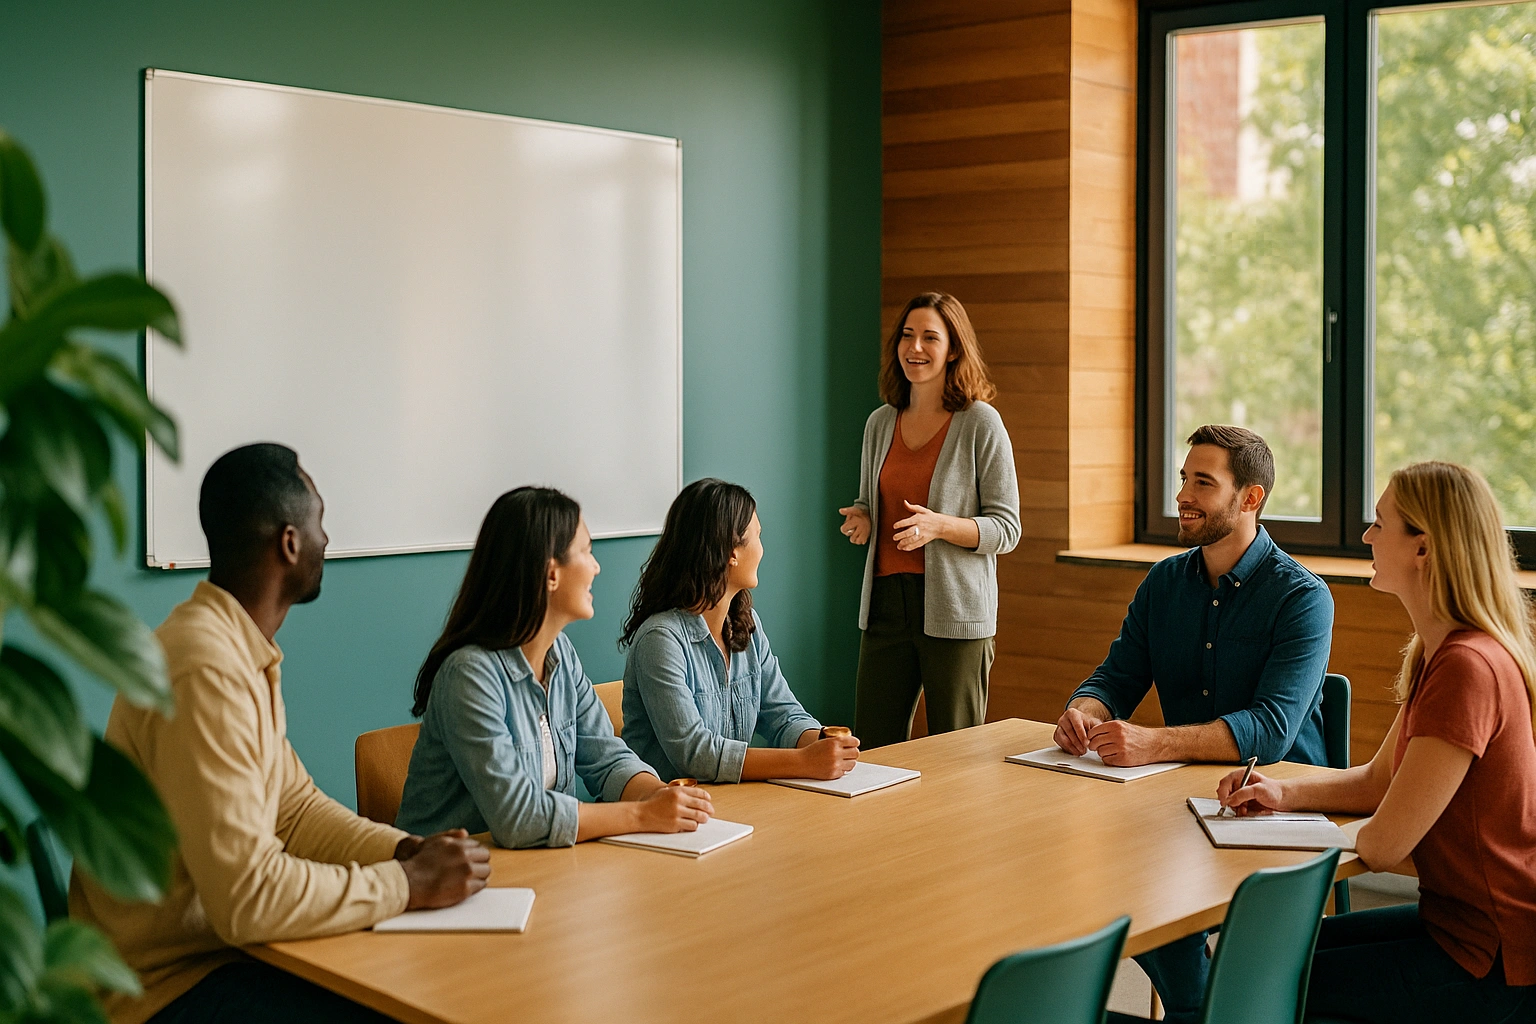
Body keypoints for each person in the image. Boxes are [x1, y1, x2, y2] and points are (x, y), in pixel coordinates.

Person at [70, 444, 490, 1024]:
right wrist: (404, 884)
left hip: (223, 958)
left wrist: (400, 850)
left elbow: (293, 811)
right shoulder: (206, 667)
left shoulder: (238, 650)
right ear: (289, 544)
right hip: (159, 992)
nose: (328, 540)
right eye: (321, 522)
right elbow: (247, 899)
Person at [1219, 461, 1536, 1023]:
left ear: (1423, 548)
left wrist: (1297, 840)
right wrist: (1283, 797)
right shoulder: (1438, 653)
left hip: (1493, 956)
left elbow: (1386, 847)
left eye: (1379, 523)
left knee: (1263, 984)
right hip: (1454, 921)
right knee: (1266, 962)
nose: (1366, 535)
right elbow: (1378, 782)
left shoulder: (1468, 667)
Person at [1055, 424, 1334, 1024]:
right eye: (1184, 479)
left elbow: (1270, 729)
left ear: (1250, 498)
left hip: (1282, 810)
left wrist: (1152, 742)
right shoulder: (1164, 583)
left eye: (1203, 483)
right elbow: (1116, 677)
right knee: (1098, 868)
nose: (1183, 494)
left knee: (1152, 887)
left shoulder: (1303, 598)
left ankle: (1200, 1007)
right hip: (1183, 802)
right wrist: (1085, 712)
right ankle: (1201, 1008)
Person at [396, 486, 711, 848]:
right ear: (551, 574)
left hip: (534, 868)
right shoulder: (469, 675)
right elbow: (518, 819)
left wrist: (658, 796)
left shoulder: (560, 653)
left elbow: (608, 760)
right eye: (586, 552)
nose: (596, 567)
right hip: (444, 883)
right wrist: (642, 815)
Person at [838, 291, 1020, 748]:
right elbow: (868, 499)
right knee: (875, 748)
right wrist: (863, 518)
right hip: (884, 607)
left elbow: (1007, 527)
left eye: (929, 337)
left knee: (956, 755)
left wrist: (940, 526)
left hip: (956, 611)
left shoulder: (981, 422)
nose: (914, 347)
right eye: (907, 335)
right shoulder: (880, 422)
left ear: (953, 348)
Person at [620, 479, 860, 782]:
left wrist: (825, 744)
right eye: (757, 535)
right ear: (732, 551)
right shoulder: (661, 640)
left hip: (729, 806)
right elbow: (696, 755)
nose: (762, 548)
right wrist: (801, 762)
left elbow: (784, 716)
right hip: (669, 815)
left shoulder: (748, 624)